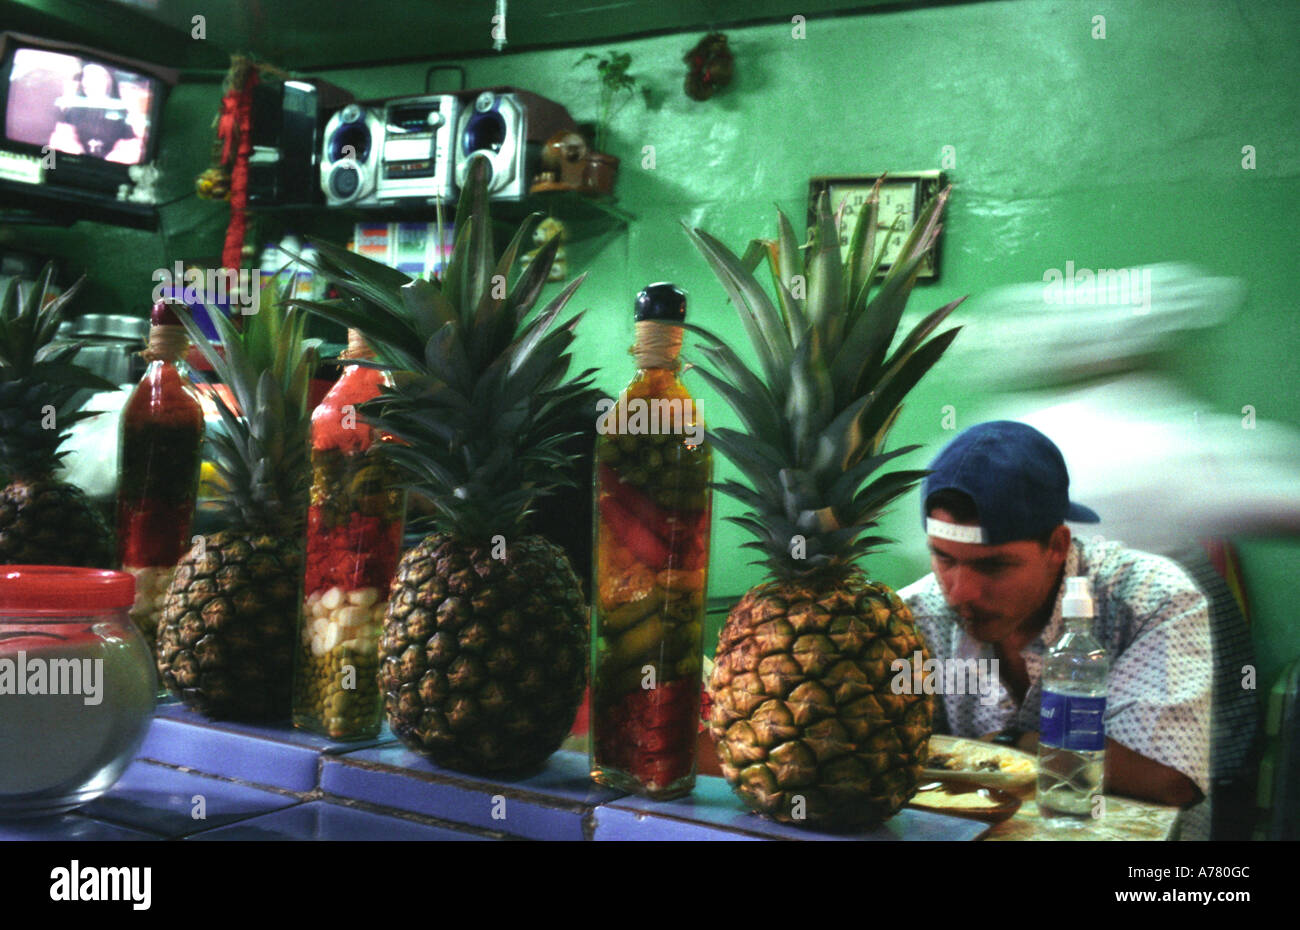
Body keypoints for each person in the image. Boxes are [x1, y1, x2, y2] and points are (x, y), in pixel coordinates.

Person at [899, 420, 1211, 809]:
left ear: (1057, 546)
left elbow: (1168, 780)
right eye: (943, 558)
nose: (961, 592)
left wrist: (1011, 745)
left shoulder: (1151, 600)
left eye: (994, 566)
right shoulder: (910, 617)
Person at [48, 63, 139, 162]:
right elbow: (56, 141)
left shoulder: (121, 111)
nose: (86, 82)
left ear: (108, 81)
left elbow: (132, 145)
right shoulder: (73, 109)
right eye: (85, 76)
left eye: (94, 77)